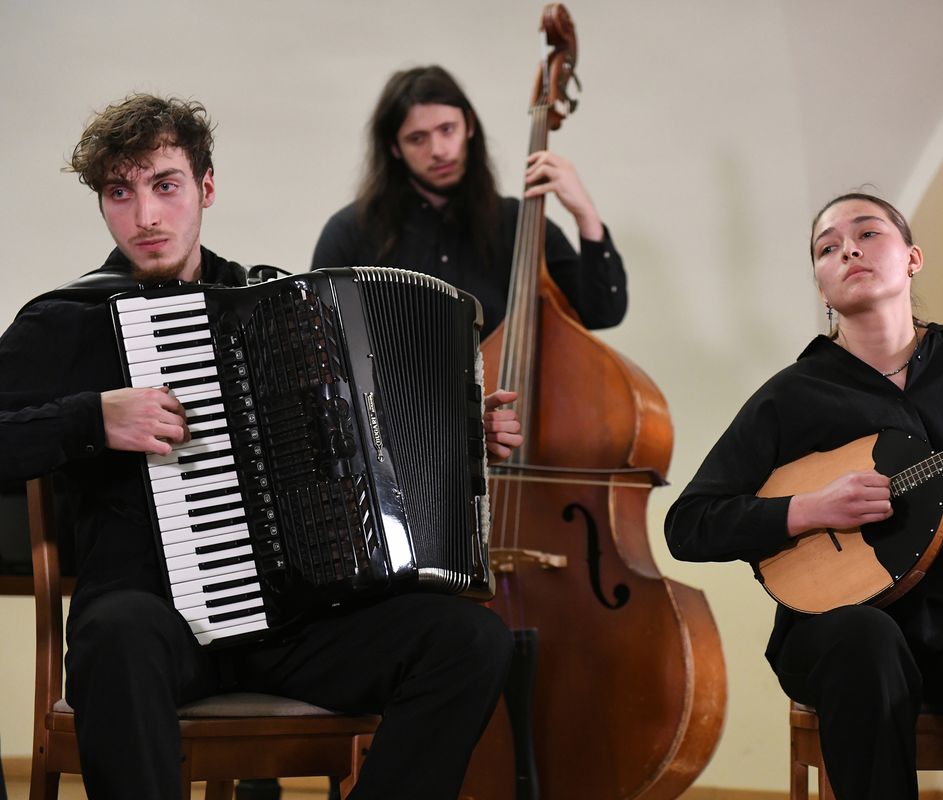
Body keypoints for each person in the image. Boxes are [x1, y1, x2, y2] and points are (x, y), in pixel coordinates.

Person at [0, 93, 524, 799]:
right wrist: (92, 420)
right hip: (154, 625)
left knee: (471, 642)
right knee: (114, 635)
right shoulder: (68, 322)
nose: (146, 215)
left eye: (165, 185)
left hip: (293, 626)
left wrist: (462, 439)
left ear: (206, 187)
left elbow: (355, 447)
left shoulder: (272, 306)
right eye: (120, 193)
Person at [665, 192, 943, 800]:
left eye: (867, 233)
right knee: (866, 645)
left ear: (913, 259)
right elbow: (688, 524)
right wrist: (809, 509)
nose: (848, 249)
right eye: (827, 247)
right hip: (841, 631)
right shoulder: (791, 394)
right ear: (821, 286)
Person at [312, 65, 626, 338]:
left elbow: (602, 313)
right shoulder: (350, 232)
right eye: (417, 138)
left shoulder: (519, 226)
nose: (438, 150)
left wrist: (585, 215)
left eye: (447, 130)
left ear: (469, 126)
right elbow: (316, 347)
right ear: (394, 148)